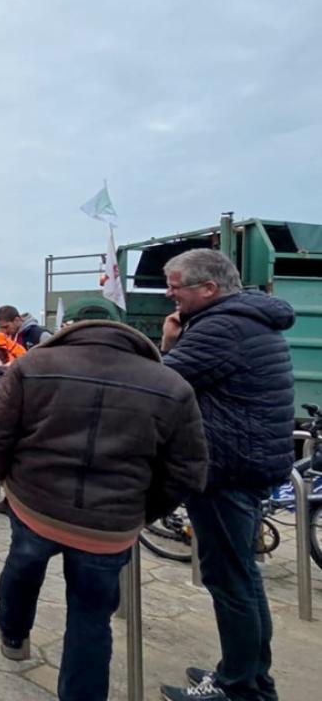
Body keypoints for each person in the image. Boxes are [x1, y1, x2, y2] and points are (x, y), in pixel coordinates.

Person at [0, 320, 208, 700]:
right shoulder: (171, 385)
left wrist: (9, 481)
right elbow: (187, 469)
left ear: (75, 327)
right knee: (91, 617)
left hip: (36, 505)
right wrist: (141, 512)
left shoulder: (33, 367)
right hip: (109, 525)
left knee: (22, 568)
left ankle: (14, 632)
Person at [156, 249, 295, 701]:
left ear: (209, 289)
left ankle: (237, 688)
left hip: (226, 469)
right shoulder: (247, 319)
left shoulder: (223, 327)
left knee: (230, 581)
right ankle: (251, 675)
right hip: (247, 464)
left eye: (175, 286)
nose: (169, 295)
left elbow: (163, 383)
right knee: (244, 578)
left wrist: (166, 343)